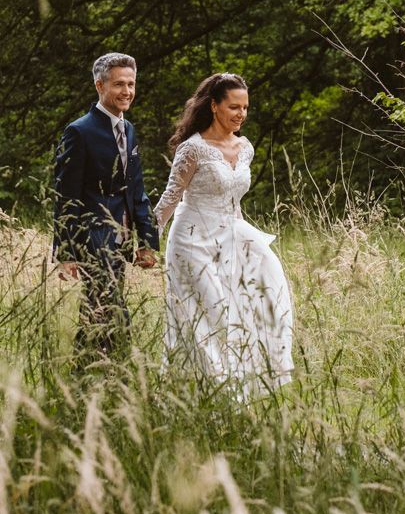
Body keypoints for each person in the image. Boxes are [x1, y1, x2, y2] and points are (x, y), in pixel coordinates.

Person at [154, 73, 294, 390]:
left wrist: (244, 241)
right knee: (211, 314)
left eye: (245, 108)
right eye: (234, 107)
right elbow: (169, 199)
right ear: (215, 106)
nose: (241, 114)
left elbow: (233, 201)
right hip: (191, 240)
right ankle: (206, 389)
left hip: (231, 236)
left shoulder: (244, 148)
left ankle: (238, 386)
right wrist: (146, 241)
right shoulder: (192, 149)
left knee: (258, 303)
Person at [54, 52, 159, 363]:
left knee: (100, 309)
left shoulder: (129, 130)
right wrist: (66, 252)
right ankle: (123, 369)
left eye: (131, 84)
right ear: (99, 85)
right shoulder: (79, 131)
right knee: (110, 305)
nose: (126, 91)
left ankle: (88, 375)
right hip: (93, 235)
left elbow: (136, 190)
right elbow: (66, 195)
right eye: (118, 84)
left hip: (122, 236)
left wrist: (146, 241)